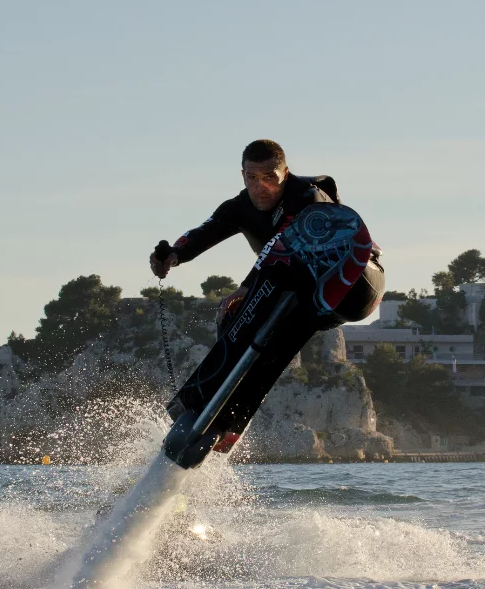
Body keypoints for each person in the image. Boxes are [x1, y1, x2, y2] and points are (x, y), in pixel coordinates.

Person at [149, 140, 384, 465]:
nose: (261, 186)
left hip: (356, 281)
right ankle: (220, 423)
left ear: (285, 173)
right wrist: (172, 256)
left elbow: (287, 240)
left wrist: (247, 286)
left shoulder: (306, 196)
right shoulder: (239, 207)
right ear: (243, 175)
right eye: (252, 177)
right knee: (250, 333)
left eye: (270, 177)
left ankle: (210, 407)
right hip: (305, 300)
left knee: (262, 294)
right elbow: (205, 232)